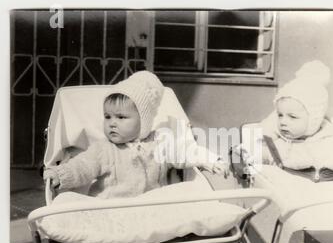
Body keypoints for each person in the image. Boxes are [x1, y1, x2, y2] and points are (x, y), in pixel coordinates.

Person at [43, 71, 228, 198]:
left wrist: (210, 160)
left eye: (121, 117)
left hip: (150, 207)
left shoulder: (161, 143)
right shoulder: (104, 149)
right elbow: (82, 167)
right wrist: (61, 175)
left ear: (143, 122)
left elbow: (186, 152)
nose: (112, 123)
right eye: (107, 117)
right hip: (110, 207)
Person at [238, 60, 333, 182]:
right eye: (279, 115)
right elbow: (252, 153)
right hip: (293, 203)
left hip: (330, 198)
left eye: (292, 117)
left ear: (313, 120)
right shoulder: (277, 143)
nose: (283, 122)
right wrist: (242, 153)